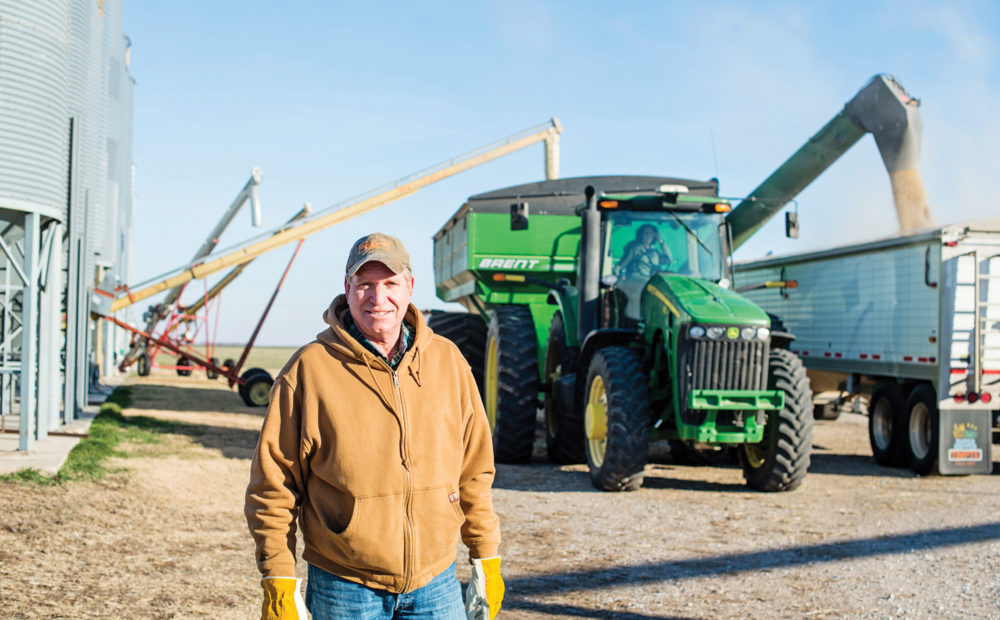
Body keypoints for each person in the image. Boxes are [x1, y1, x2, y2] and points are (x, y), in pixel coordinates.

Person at [245, 232, 504, 620]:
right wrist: (278, 575)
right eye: (365, 284)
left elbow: (475, 471)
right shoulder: (309, 370)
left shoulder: (449, 363)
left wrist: (485, 555)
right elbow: (273, 484)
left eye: (390, 284)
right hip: (345, 586)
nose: (378, 298)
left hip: (436, 583)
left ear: (410, 287)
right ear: (347, 289)